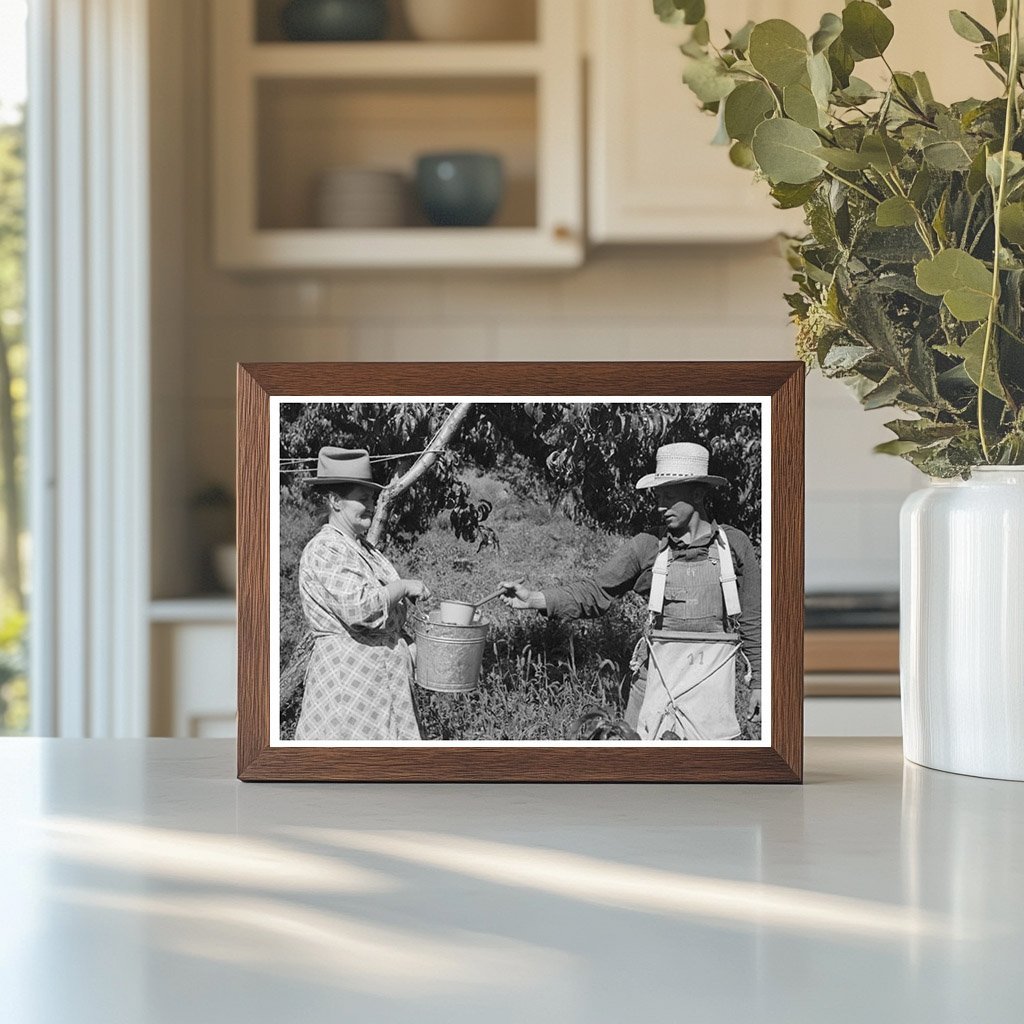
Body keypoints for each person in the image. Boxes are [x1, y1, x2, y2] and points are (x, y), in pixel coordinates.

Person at [502, 442, 760, 741]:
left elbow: (754, 618)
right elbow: (596, 591)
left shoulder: (734, 546)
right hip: (654, 684)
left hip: (711, 688)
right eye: (658, 496)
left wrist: (759, 685)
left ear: (698, 494)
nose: (660, 506)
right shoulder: (648, 545)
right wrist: (533, 598)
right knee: (639, 770)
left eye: (669, 496)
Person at [292, 447, 430, 741]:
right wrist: (403, 586)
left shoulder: (363, 549)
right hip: (350, 687)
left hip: (382, 686)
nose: (371, 505)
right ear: (335, 501)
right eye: (363, 499)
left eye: (372, 498)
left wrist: (407, 644)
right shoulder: (326, 548)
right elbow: (361, 609)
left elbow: (383, 619)